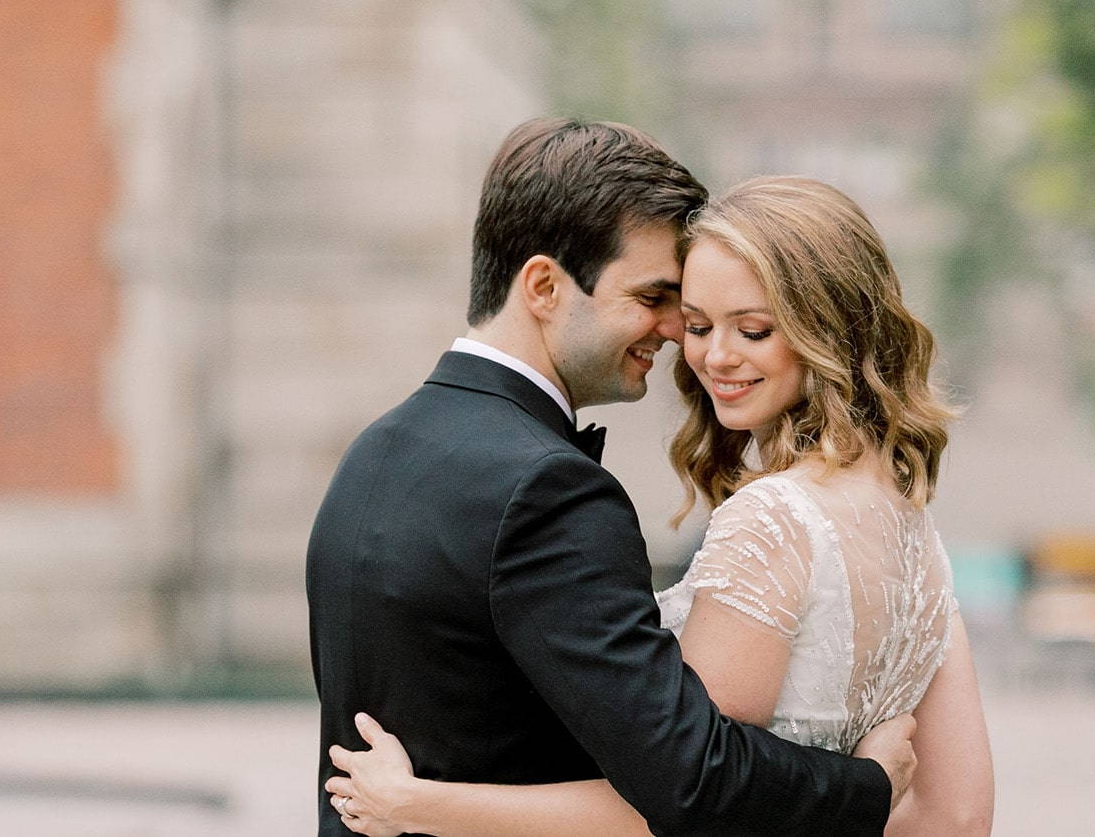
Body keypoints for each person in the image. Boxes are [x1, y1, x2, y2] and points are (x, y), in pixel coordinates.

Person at [324, 177, 995, 836]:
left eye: (754, 329)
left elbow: (688, 800)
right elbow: (957, 817)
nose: (713, 355)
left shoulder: (772, 520)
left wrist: (417, 805)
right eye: (698, 325)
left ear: (828, 329)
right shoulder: (914, 530)